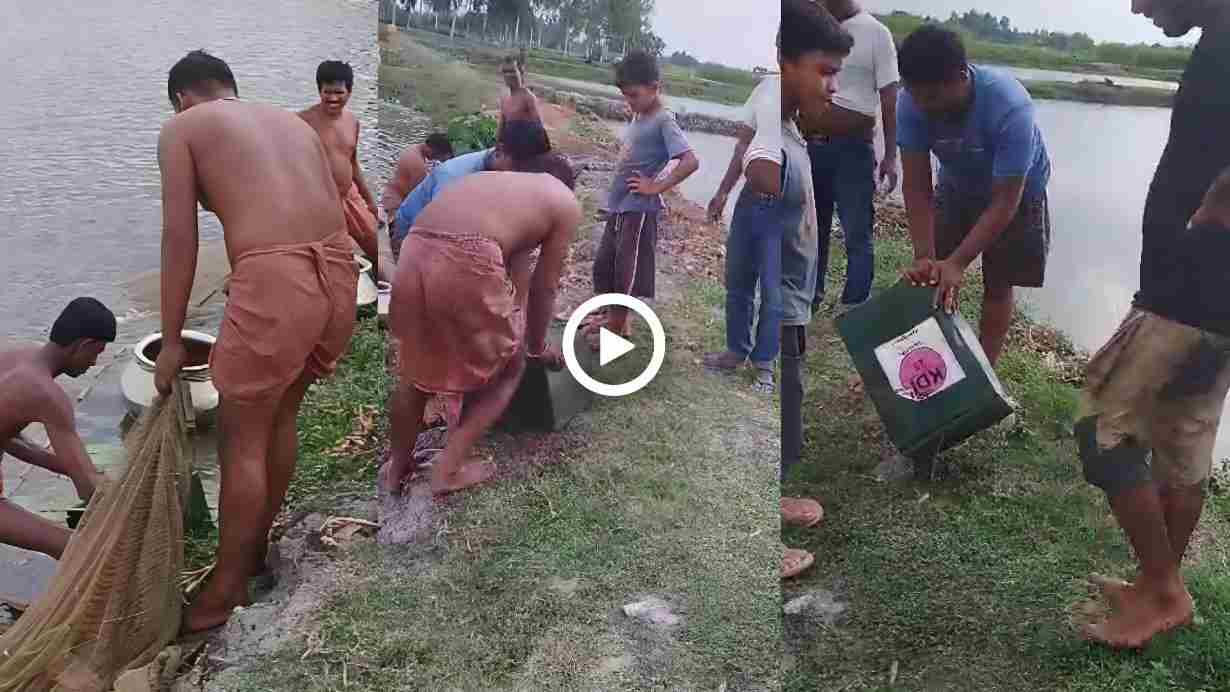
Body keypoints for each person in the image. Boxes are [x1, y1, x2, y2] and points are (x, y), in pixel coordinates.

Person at [157, 50, 358, 634]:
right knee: (279, 416)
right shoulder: (292, 122)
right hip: (337, 272)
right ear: (232, 89)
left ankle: (224, 592)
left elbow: (179, 239)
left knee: (238, 440)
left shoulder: (181, 128)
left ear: (182, 98)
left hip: (277, 282)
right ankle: (252, 551)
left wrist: (171, 340)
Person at [1076, 0, 1230, 650]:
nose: (1136, 5)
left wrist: (1214, 212)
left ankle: (1165, 590)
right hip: (1210, 291)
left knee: (1100, 427)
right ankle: (1154, 586)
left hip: (1189, 286)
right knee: (1181, 440)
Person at [382, 160, 580, 496]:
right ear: (568, 184)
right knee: (511, 368)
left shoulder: (504, 189)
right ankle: (447, 471)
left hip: (415, 248)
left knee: (415, 369)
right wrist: (534, 347)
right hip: (465, 252)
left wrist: (512, 322)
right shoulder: (565, 202)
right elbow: (546, 285)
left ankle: (397, 466)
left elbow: (518, 282)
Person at [896, 27, 1052, 367]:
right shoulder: (909, 103)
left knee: (998, 282)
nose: (925, 107)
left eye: (934, 98)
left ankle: (984, 370)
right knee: (931, 275)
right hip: (957, 185)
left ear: (961, 76)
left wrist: (959, 261)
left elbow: (1005, 201)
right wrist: (926, 255)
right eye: (917, 96)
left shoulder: (1010, 106)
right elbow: (916, 186)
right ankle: (929, 361)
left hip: (1019, 194)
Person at [776, 0, 853, 580]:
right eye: (824, 72)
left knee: (786, 410)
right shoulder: (769, 143)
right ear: (783, 62)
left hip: (792, 304)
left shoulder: (787, 126)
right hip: (773, 310)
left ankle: (772, 495)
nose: (833, 86)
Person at [586, 50, 699, 349]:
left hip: (637, 209)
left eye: (634, 95)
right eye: (625, 96)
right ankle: (613, 317)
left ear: (655, 86)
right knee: (603, 266)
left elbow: (689, 161)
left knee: (626, 270)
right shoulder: (641, 114)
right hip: (619, 205)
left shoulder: (664, 120)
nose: (629, 102)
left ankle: (618, 328)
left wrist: (656, 187)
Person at [804, 0, 899, 313]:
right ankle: (810, 298)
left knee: (857, 231)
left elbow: (889, 99)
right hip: (812, 146)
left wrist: (890, 156)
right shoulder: (816, 29)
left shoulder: (876, 33)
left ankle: (854, 305)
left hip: (854, 151)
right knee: (812, 229)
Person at [0, 298, 113, 559]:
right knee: (76, 550)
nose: (94, 363)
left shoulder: (17, 358)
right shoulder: (47, 395)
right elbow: (88, 490)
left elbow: (6, 436)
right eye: (96, 353)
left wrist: (62, 465)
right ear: (83, 345)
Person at [701, 52, 783, 392]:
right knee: (738, 278)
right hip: (751, 198)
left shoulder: (815, 91)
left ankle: (765, 363)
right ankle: (736, 349)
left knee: (775, 288)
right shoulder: (766, 88)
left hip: (784, 206)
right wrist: (722, 192)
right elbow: (743, 144)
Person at [389, 120, 552, 257]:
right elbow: (434, 233)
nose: (521, 176)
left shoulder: (501, 168)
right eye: (519, 168)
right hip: (412, 232)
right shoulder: (453, 177)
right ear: (500, 151)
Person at [299, 60, 381, 270]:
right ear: (319, 91)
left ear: (349, 92)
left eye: (339, 92)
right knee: (334, 256)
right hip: (321, 202)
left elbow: (352, 163)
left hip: (349, 196)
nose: (333, 98)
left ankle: (380, 285)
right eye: (327, 92)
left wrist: (370, 201)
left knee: (376, 244)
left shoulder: (353, 122)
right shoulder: (302, 122)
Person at [380, 133, 454, 227]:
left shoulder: (414, 149)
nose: (436, 159)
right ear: (431, 150)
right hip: (396, 205)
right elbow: (421, 198)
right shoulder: (417, 164)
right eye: (437, 157)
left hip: (391, 196)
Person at [497, 55, 545, 142]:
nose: (508, 75)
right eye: (505, 71)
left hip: (523, 149)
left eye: (512, 71)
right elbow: (501, 127)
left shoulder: (528, 97)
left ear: (521, 72)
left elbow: (539, 131)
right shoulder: (504, 97)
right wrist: (498, 146)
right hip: (507, 148)